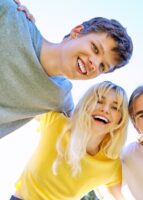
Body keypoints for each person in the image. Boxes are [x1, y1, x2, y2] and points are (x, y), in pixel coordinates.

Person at [0, 0, 133, 138]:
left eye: (102, 66)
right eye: (95, 48)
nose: (94, 63)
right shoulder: (11, 16)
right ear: (77, 32)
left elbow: (85, 133)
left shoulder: (61, 97)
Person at [11, 81, 129, 200]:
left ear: (120, 121)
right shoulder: (56, 122)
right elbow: (23, 98)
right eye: (99, 101)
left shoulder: (112, 166)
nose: (105, 109)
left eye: (115, 107)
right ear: (85, 104)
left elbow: (120, 196)